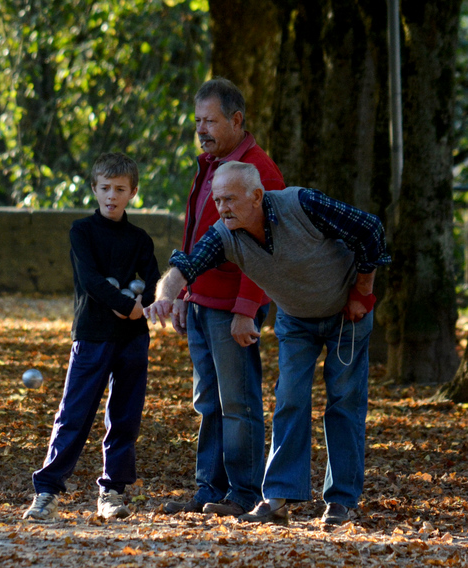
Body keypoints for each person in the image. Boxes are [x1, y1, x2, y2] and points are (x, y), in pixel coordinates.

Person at [146, 161, 390, 525]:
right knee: (290, 398)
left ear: (256, 196)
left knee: (344, 401)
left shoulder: (302, 204)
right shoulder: (224, 234)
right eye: (217, 200)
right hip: (295, 318)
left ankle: (341, 501)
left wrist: (363, 291)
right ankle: (276, 500)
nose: (222, 207)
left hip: (346, 314)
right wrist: (165, 294)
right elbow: (186, 265)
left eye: (230, 198)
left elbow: (370, 228)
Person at [163, 78, 285, 518]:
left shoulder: (258, 171)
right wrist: (184, 294)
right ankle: (208, 489)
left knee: (239, 402)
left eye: (210, 120)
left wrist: (246, 309)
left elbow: (268, 248)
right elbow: (195, 233)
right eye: (197, 121)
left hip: (231, 308)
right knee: (209, 401)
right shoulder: (209, 165)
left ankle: (245, 493)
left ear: (236, 120)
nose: (201, 129)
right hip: (201, 302)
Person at [22, 153, 161, 522]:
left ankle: (112, 491)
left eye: (119, 189)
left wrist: (139, 306)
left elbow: (153, 283)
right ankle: (47, 491)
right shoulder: (81, 231)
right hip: (93, 335)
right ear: (94, 190)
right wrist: (122, 304)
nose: (111, 196)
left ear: (133, 192)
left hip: (132, 338)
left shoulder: (140, 239)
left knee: (125, 416)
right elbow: (91, 279)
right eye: (105, 189)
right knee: (74, 413)